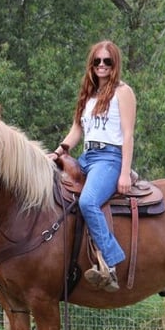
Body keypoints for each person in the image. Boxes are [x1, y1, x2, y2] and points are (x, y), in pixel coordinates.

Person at [50, 40, 136, 292]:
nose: (101, 65)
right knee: (53, 192)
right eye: (97, 61)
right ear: (91, 63)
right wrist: (58, 152)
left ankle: (111, 263)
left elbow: (128, 134)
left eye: (107, 61)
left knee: (88, 202)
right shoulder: (89, 94)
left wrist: (124, 173)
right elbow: (77, 130)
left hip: (109, 158)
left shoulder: (123, 92)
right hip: (87, 157)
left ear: (114, 64)